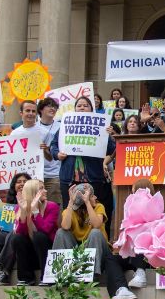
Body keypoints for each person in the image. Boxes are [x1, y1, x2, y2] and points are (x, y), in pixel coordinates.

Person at [52, 183, 131, 299]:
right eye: (92, 196)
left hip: (99, 249)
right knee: (60, 233)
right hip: (78, 250)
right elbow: (65, 226)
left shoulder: (99, 207)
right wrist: (70, 202)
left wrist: (88, 203)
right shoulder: (70, 210)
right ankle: (61, 274)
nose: (95, 198)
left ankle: (89, 276)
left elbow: (97, 225)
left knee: (95, 232)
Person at [50, 96, 116, 229]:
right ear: (75, 109)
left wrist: (108, 135)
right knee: (71, 212)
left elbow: (111, 150)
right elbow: (53, 145)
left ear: (92, 109)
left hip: (93, 178)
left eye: (85, 105)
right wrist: (57, 154)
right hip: (69, 178)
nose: (82, 107)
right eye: (79, 105)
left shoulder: (101, 126)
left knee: (93, 210)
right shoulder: (65, 124)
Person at [9, 179, 59, 285]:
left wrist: (35, 211)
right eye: (41, 189)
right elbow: (20, 232)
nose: (45, 191)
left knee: (39, 236)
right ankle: (25, 278)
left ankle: (47, 276)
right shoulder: (19, 207)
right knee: (17, 238)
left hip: (47, 252)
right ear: (32, 192)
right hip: (31, 255)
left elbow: (45, 229)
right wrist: (23, 211)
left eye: (44, 188)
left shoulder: (52, 206)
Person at [29, 98, 62, 206]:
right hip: (36, 174)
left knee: (54, 206)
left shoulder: (61, 127)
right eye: (49, 106)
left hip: (55, 174)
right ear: (41, 110)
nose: (52, 108)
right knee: (36, 206)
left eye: (55, 106)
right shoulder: (32, 127)